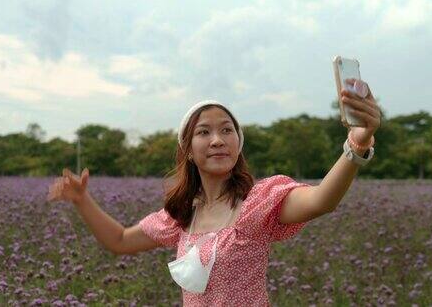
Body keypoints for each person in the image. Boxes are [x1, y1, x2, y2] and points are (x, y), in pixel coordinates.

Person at [47, 78, 381, 306]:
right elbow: (119, 240)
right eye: (204, 132)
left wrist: (357, 143)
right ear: (189, 150)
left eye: (226, 130)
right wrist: (82, 199)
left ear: (238, 143)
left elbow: (322, 199)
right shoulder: (180, 217)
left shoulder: (258, 204)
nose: (217, 139)